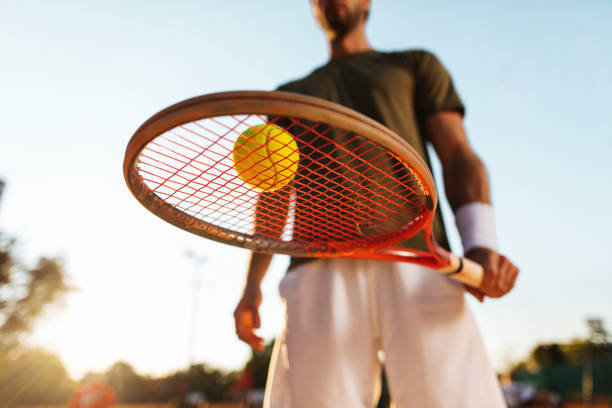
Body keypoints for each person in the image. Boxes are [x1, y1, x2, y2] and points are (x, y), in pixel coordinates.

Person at [233, 0, 519, 406]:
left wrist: (481, 241)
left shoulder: (413, 64)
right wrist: (251, 287)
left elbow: (459, 155)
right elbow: (275, 195)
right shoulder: (289, 98)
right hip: (318, 266)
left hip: (418, 258)